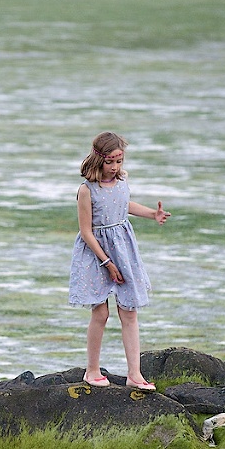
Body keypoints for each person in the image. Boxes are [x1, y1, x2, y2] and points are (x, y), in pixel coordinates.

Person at [69, 131, 170, 390]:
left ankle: (134, 375)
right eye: (110, 162)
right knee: (100, 313)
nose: (115, 167)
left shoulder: (122, 183)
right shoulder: (86, 190)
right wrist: (106, 263)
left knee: (130, 311)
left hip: (123, 250)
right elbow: (85, 231)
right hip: (95, 255)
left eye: (119, 161)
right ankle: (92, 371)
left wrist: (152, 214)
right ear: (98, 159)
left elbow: (124, 205)